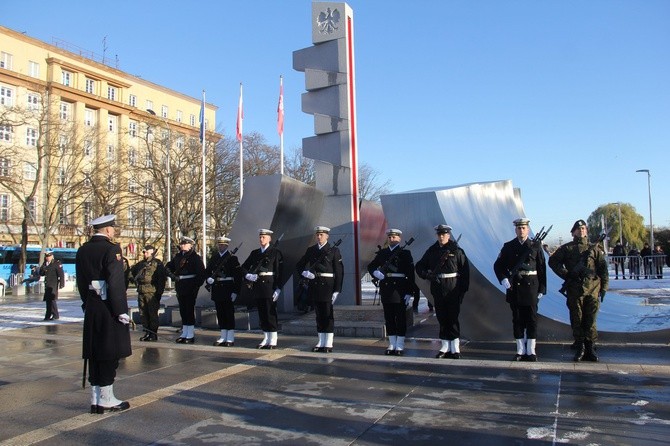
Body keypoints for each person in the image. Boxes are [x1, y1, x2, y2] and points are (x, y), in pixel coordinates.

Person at [75, 214, 131, 414]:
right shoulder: (111, 249)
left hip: (92, 306)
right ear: (107, 230)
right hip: (109, 309)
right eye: (113, 228)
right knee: (109, 352)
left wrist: (87, 302)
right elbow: (115, 283)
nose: (113, 231)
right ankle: (106, 398)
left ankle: (95, 397)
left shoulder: (83, 250)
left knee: (95, 352)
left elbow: (81, 282)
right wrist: (121, 311)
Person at [548, 219, 608, 362]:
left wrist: (604, 287)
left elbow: (603, 269)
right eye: (578, 229)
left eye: (583, 229)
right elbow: (553, 262)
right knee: (577, 319)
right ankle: (580, 346)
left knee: (591, 319)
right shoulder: (567, 248)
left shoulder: (595, 249)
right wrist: (566, 273)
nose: (581, 231)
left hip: (592, 288)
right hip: (575, 289)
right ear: (573, 231)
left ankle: (590, 347)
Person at [493, 218, 547, 361]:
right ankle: (520, 350)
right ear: (515, 230)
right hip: (515, 287)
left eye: (523, 228)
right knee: (517, 320)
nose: (521, 230)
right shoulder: (508, 246)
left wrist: (542, 288)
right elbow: (498, 265)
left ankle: (531, 350)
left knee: (531, 319)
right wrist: (503, 278)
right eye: (519, 228)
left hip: (531, 287)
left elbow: (541, 268)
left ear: (528, 229)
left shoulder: (535, 246)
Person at [415, 224, 470, 359]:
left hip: (453, 287)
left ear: (448, 235)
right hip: (438, 287)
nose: (441, 236)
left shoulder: (457, 251)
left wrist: (462, 290)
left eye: (444, 234)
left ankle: (455, 346)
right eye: (439, 234)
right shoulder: (432, 250)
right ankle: (445, 345)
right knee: (442, 316)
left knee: (453, 317)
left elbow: (465, 271)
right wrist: (426, 275)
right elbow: (420, 266)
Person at [367, 228, 416, 355]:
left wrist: (409, 292)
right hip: (386, 288)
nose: (392, 239)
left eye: (394, 237)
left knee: (400, 318)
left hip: (399, 289)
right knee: (388, 318)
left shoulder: (405, 253)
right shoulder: (383, 253)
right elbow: (371, 266)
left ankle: (399, 344)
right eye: (390, 237)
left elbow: (410, 274)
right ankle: (392, 343)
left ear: (399, 238)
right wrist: (375, 273)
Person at [296, 226, 344, 353]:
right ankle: (321, 341)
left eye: (322, 234)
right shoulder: (311, 250)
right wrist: (305, 273)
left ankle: (328, 342)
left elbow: (339, 272)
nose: (319, 237)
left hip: (328, 286)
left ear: (327, 236)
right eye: (317, 234)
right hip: (315, 285)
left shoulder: (333, 250)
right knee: (318, 315)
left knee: (327, 314)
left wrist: (337, 290)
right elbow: (299, 265)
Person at [241, 229, 283, 349]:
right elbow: (243, 267)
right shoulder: (255, 253)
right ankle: (266, 337)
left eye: (264, 237)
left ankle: (273, 338)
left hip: (269, 286)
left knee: (270, 312)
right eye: (260, 237)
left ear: (269, 238)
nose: (261, 239)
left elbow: (279, 272)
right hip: (258, 286)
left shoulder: (275, 252)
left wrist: (278, 288)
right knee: (262, 313)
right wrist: (248, 275)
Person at [165, 236, 206, 344]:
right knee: (183, 310)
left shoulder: (195, 257)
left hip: (190, 286)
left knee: (189, 309)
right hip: (180, 285)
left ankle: (190, 334)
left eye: (184, 243)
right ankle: (184, 332)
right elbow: (168, 267)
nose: (182, 245)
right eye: (181, 243)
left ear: (190, 245)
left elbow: (201, 273)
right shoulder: (178, 257)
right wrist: (172, 276)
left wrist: (195, 286)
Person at [205, 236, 242, 347]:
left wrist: (235, 291)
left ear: (227, 246)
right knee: (220, 313)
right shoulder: (214, 257)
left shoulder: (232, 258)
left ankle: (230, 337)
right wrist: (208, 279)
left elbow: (238, 276)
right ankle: (223, 336)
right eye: (219, 245)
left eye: (223, 245)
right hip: (217, 288)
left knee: (229, 313)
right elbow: (207, 271)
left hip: (228, 288)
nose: (221, 246)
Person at [130, 245, 166, 342]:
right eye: (144, 252)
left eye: (146, 252)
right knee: (143, 313)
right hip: (141, 290)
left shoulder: (157, 263)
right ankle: (147, 331)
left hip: (151, 292)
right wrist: (133, 279)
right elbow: (131, 272)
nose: (144, 254)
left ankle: (153, 333)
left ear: (152, 252)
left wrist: (159, 293)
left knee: (152, 313)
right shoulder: (141, 264)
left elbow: (161, 279)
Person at [40, 251, 65, 321]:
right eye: (46, 257)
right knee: (48, 300)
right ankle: (49, 315)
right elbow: (41, 273)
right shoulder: (45, 264)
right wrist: (43, 269)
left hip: (53, 284)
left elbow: (61, 274)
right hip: (47, 285)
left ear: (52, 256)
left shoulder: (56, 263)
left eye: (49, 256)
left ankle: (54, 315)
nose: (47, 258)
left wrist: (62, 284)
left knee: (52, 299)